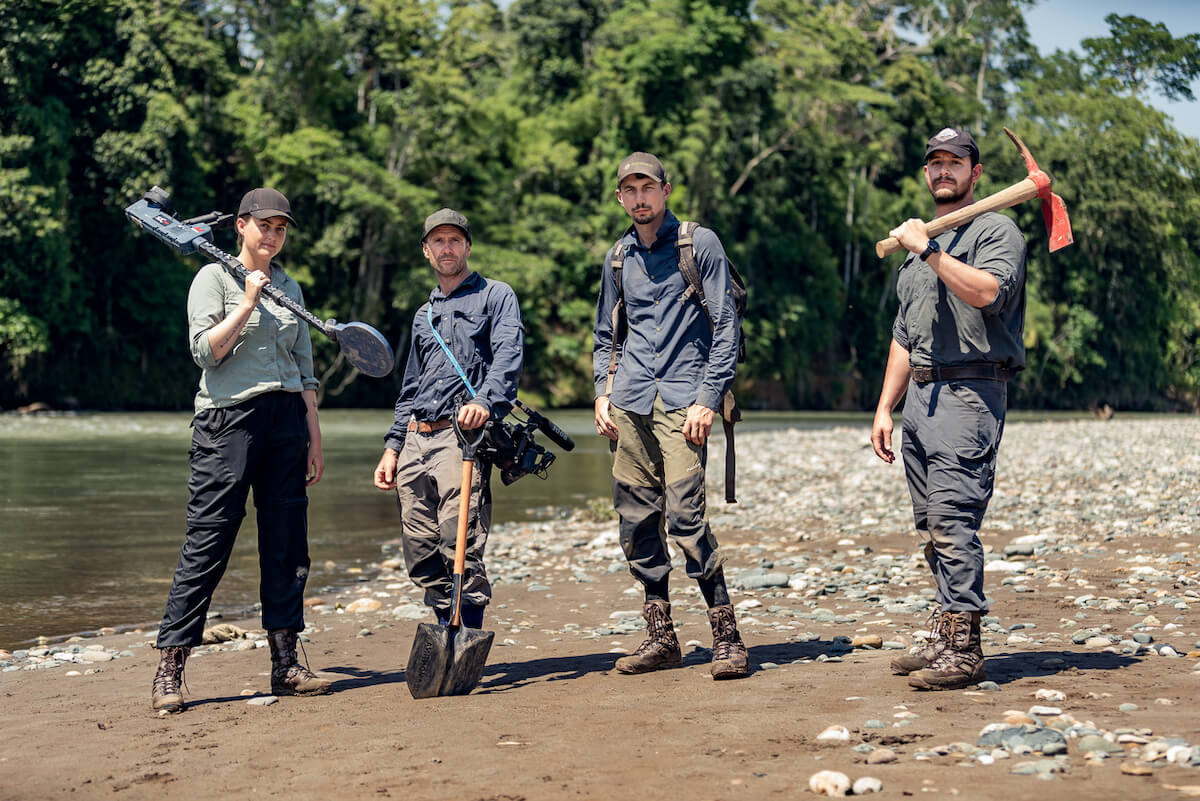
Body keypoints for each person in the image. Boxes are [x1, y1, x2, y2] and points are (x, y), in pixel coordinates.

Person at [151, 187, 331, 713]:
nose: (272, 235)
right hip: (226, 423)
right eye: (264, 225)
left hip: (286, 425)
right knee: (207, 544)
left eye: (281, 227)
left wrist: (313, 436)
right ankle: (171, 666)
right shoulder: (212, 278)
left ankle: (286, 664)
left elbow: (303, 371)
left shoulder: (292, 287)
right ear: (240, 226)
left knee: (287, 546)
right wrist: (249, 300)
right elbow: (204, 352)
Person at [870, 127, 1028, 691]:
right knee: (929, 526)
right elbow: (902, 337)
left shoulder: (996, 229)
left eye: (954, 163)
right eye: (934, 163)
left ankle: (967, 646)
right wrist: (885, 407)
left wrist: (931, 250)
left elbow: (987, 292)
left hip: (972, 392)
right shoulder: (915, 252)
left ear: (975, 172)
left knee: (953, 519)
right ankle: (943, 626)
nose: (942, 171)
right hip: (920, 396)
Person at [593, 152, 748, 680]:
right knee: (636, 521)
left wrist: (708, 399)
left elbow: (726, 328)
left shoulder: (699, 244)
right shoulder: (617, 257)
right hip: (629, 401)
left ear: (665, 191)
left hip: (685, 401)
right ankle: (662, 639)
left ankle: (727, 635)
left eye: (648, 188)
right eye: (629, 190)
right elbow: (604, 337)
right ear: (620, 198)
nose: (639, 198)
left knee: (685, 518)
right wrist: (600, 393)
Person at [373, 209, 523, 629]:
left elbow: (508, 358)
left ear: (468, 247)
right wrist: (392, 447)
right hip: (416, 440)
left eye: (454, 240)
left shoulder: (496, 295)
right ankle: (445, 623)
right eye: (437, 241)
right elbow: (410, 388)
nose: (447, 248)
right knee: (419, 549)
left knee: (459, 541)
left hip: (462, 439)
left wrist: (485, 401)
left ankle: (465, 632)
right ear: (426, 251)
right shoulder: (423, 315)